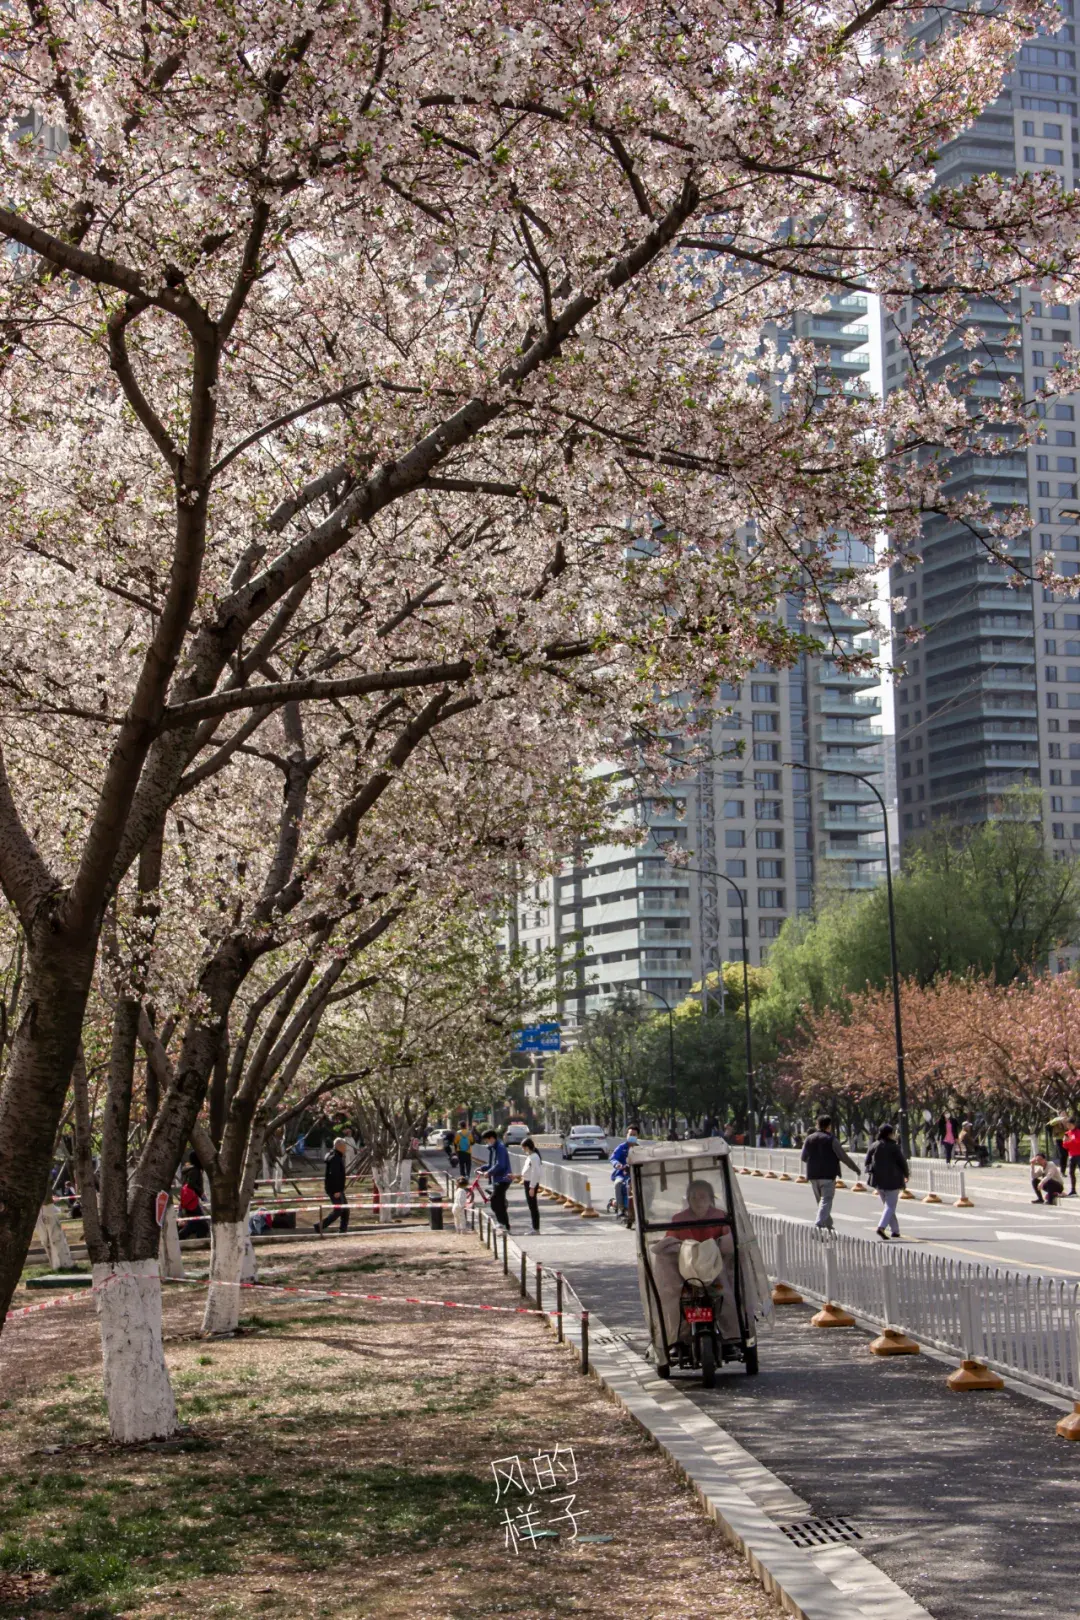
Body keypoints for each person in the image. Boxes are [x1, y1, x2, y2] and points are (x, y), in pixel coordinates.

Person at [649, 1179, 738, 1345]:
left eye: (703, 1197)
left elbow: (729, 1241)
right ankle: (674, 1338)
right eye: (694, 1197)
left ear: (711, 1198)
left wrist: (721, 1245)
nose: (699, 1201)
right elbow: (669, 1241)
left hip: (714, 1269)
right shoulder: (679, 1219)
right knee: (674, 1298)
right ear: (688, 1200)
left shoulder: (720, 1216)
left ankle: (732, 1336)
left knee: (726, 1295)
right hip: (686, 1271)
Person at [800, 1115, 859, 1231]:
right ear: (829, 1126)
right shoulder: (831, 1139)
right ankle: (819, 1225)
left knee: (821, 1202)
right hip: (828, 1175)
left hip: (813, 1175)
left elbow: (803, 1157)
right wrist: (855, 1168)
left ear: (817, 1124)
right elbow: (843, 1157)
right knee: (826, 1200)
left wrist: (813, 1162)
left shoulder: (809, 1139)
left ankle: (828, 1226)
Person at [864, 1124, 909, 1241]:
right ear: (890, 1134)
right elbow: (902, 1162)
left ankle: (895, 1231)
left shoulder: (874, 1145)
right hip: (893, 1180)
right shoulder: (894, 1147)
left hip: (878, 1181)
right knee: (890, 1206)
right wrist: (906, 1174)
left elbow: (866, 1162)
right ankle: (881, 1227)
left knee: (888, 1206)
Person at [480, 1128, 513, 1230]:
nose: (486, 1143)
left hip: (503, 1179)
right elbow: (492, 1164)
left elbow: (500, 1165)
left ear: (492, 1138)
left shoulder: (500, 1148)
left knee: (495, 1201)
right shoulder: (494, 1148)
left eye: (487, 1140)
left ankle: (502, 1223)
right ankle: (505, 1224)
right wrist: (482, 1168)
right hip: (498, 1179)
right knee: (499, 1202)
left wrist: (489, 1172)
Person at [318, 1137, 350, 1232]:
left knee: (345, 1210)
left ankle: (343, 1229)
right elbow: (334, 1175)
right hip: (335, 1189)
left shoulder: (336, 1156)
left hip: (338, 1188)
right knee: (338, 1210)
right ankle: (319, 1226)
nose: (345, 1148)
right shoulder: (335, 1158)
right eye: (344, 1146)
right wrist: (336, 1190)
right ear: (339, 1146)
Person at [609, 1126, 639, 1222]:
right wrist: (617, 1164)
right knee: (618, 1184)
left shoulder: (640, 1149)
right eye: (631, 1134)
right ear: (627, 1135)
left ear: (638, 1136)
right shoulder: (621, 1148)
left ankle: (647, 1207)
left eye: (634, 1135)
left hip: (636, 1174)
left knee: (650, 1185)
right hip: (622, 1174)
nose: (632, 1136)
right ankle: (621, 1208)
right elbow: (613, 1158)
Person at [520, 1137, 543, 1233]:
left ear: (527, 1147)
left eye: (523, 1147)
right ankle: (535, 1227)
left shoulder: (534, 1157)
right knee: (531, 1206)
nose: (523, 1150)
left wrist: (532, 1187)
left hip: (531, 1183)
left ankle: (536, 1228)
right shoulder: (530, 1156)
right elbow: (528, 1171)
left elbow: (535, 1172)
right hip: (528, 1182)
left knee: (533, 1206)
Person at [1064, 1121, 1080, 1195]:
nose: (1069, 1126)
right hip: (1072, 1155)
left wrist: (1071, 1140)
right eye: (1068, 1125)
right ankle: (1073, 1190)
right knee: (1071, 1172)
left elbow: (1078, 1141)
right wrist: (1065, 1141)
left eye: (1070, 1124)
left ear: (1074, 1124)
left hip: (1079, 1154)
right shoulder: (1067, 1133)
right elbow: (1065, 1146)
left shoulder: (1078, 1132)